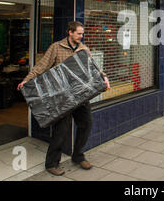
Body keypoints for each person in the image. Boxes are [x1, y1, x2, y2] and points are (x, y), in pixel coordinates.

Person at [17, 21, 110, 176]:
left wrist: (104, 77)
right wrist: (27, 80)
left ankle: (78, 155)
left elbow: (94, 68)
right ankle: (52, 163)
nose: (81, 36)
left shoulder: (84, 49)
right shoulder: (56, 47)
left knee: (86, 124)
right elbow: (42, 66)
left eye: (82, 33)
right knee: (61, 130)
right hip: (62, 98)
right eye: (79, 33)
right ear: (70, 32)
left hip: (81, 95)